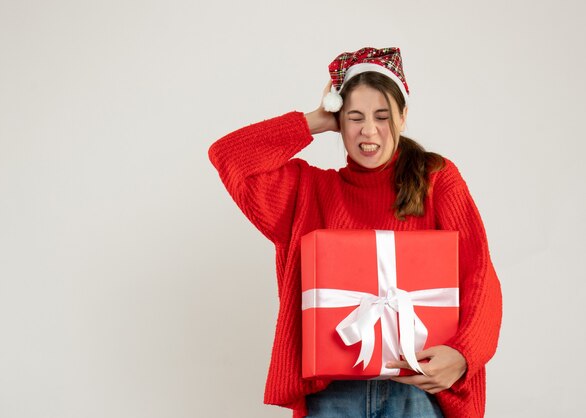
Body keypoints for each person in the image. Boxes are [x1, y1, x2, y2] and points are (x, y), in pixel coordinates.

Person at [208, 47, 502, 418]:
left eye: (382, 116)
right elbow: (228, 156)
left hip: (417, 388)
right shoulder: (308, 192)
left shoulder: (436, 179)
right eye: (354, 117)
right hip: (333, 393)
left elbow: (479, 272)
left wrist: (464, 354)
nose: (368, 130)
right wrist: (313, 120)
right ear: (338, 120)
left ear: (403, 116)